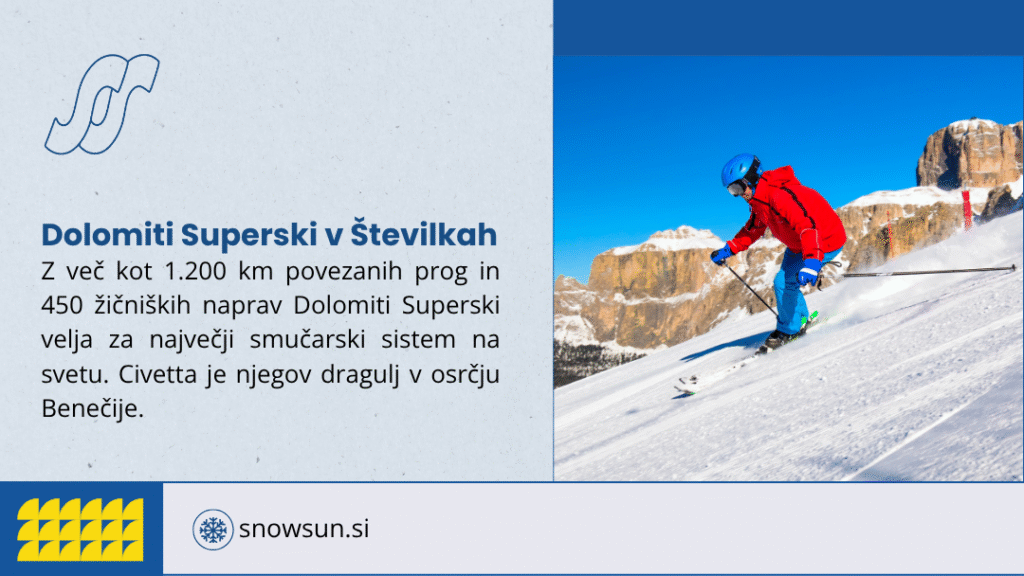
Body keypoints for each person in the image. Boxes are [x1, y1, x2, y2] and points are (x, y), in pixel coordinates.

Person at [709, 154, 847, 351]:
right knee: (785, 282)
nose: (738, 194)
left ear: (751, 178)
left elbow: (807, 227)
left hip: (825, 240)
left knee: (783, 282)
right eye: (732, 191)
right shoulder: (759, 202)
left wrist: (812, 262)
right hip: (799, 245)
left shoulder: (779, 196)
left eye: (738, 188)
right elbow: (752, 230)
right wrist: (729, 249)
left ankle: (791, 331)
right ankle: (799, 320)